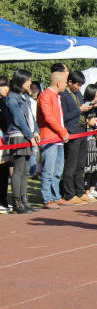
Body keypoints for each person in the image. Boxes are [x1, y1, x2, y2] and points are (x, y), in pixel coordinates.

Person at [4, 70, 40, 214]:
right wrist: (30, 135)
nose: (30, 83)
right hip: (18, 135)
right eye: (28, 80)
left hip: (27, 135)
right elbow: (18, 119)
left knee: (25, 171)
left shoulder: (24, 97)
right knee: (18, 171)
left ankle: (24, 200)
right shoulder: (12, 98)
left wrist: (35, 131)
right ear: (20, 81)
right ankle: (17, 201)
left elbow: (31, 116)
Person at [36, 70, 70, 210]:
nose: (66, 85)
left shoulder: (56, 96)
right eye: (64, 82)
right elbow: (49, 117)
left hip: (58, 138)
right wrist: (62, 131)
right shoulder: (45, 95)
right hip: (49, 137)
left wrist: (62, 132)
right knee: (48, 170)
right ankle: (47, 198)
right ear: (58, 83)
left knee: (57, 170)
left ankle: (56, 196)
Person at [60, 71, 94, 205]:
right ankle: (69, 193)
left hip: (82, 129)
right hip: (72, 130)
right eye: (77, 85)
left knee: (81, 164)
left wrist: (90, 106)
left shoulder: (78, 94)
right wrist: (80, 109)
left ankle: (80, 192)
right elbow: (64, 116)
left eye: (80, 85)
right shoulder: (63, 95)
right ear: (69, 82)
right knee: (71, 164)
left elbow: (82, 109)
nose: (79, 88)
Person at [0, 76, 11, 213]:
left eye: (7, 85)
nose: (6, 88)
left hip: (6, 141)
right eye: (3, 86)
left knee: (4, 172)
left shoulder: (5, 102)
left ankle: (3, 200)